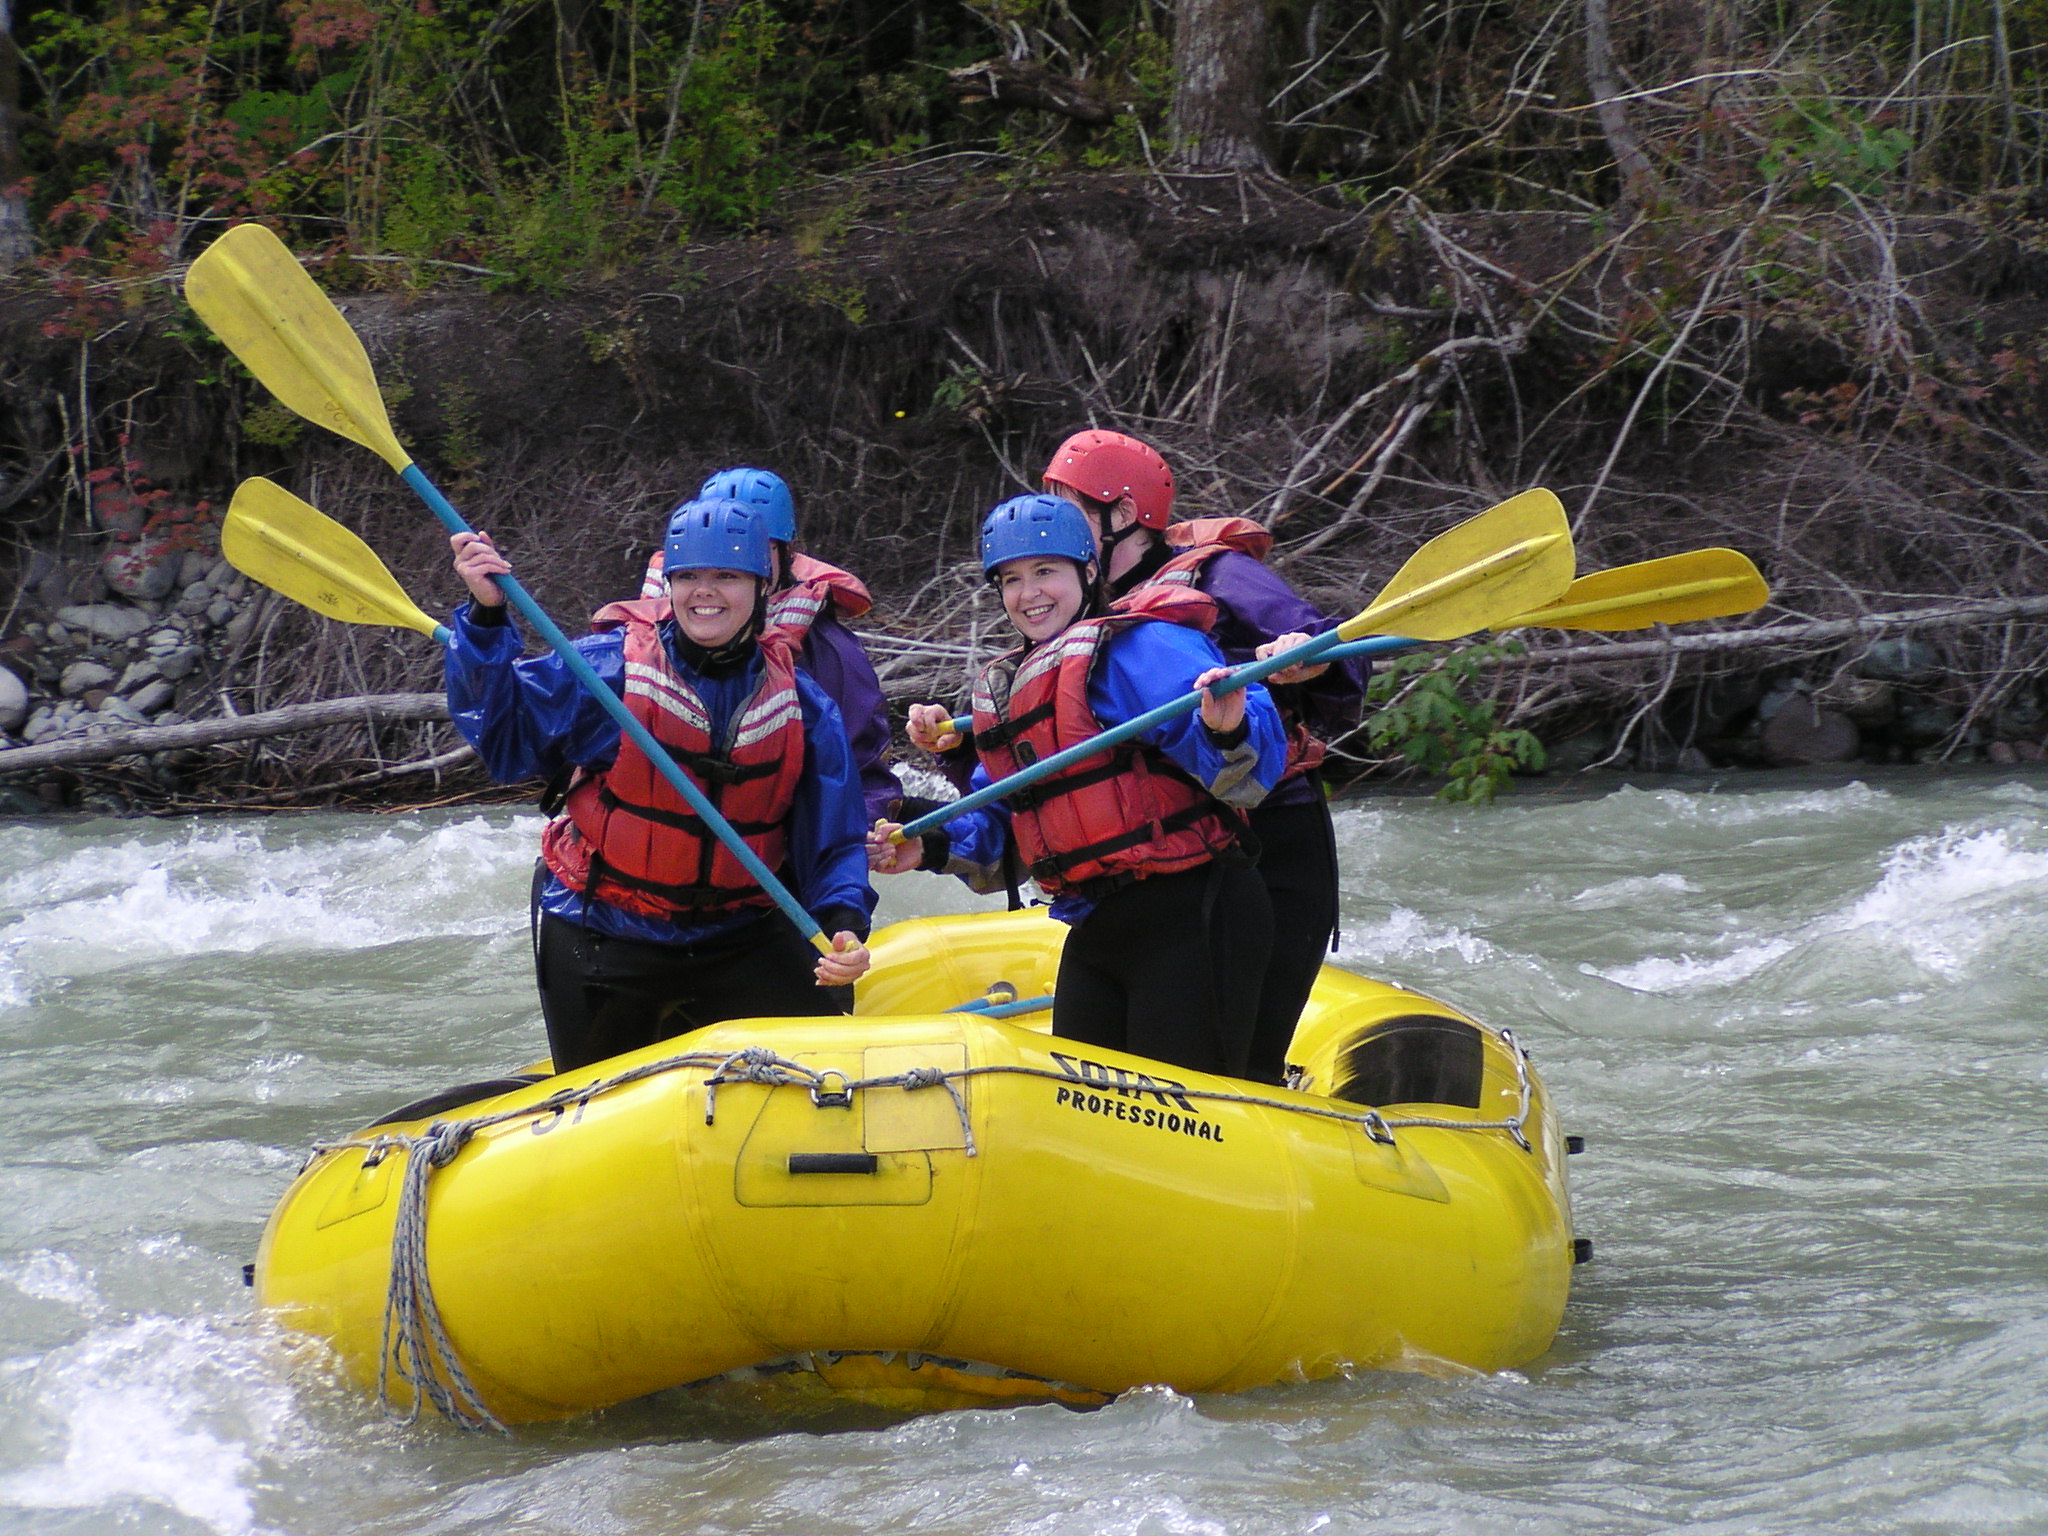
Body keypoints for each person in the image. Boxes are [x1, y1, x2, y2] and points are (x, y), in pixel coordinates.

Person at [445, 498, 875, 1075]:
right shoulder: (608, 672)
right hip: (605, 931)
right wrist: (486, 616)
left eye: (727, 576)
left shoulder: (803, 707)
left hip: (742, 932)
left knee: (823, 1081)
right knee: (597, 1111)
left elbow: (835, 841)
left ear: (761, 588)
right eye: (689, 577)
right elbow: (503, 739)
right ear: (667, 586)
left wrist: (844, 927)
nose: (706, 592)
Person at [870, 494, 1287, 1081]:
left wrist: (1226, 728)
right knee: (1085, 1114)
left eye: (1046, 571)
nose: (1029, 592)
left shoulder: (1144, 646)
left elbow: (1252, 778)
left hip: (1194, 913)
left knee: (1181, 1121)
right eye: (1012, 579)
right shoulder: (1016, 686)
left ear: (1088, 572)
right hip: (1094, 925)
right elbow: (1007, 826)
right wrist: (929, 845)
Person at [1039, 428, 1367, 1085]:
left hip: (1275, 842)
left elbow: (1335, 647)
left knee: (1247, 1064)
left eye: (1068, 506)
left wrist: (1302, 660)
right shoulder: (1084, 603)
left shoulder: (1218, 573)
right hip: (1182, 858)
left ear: (1123, 515)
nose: (1052, 524)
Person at [633, 467, 899, 824]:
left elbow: (864, 773)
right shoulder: (632, 644)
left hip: (765, 850)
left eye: (751, 548)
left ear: (785, 553)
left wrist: (860, 832)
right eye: (705, 559)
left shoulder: (830, 653)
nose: (730, 560)